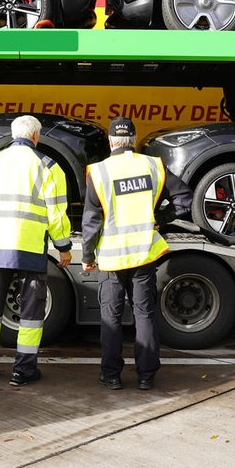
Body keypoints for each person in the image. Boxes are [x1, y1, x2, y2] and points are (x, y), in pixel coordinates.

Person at [82, 116, 192, 391]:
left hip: (112, 258)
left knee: (111, 318)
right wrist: (161, 218)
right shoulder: (153, 165)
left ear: (110, 141)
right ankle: (146, 376)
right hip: (143, 254)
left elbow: (91, 221)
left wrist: (87, 256)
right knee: (144, 315)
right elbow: (184, 199)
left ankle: (111, 375)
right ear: (133, 140)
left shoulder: (99, 172)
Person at [0, 115, 72, 386]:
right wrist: (63, 247)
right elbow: (56, 214)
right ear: (36, 136)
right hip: (30, 249)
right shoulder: (49, 166)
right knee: (31, 314)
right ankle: (22, 371)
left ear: (14, 134)